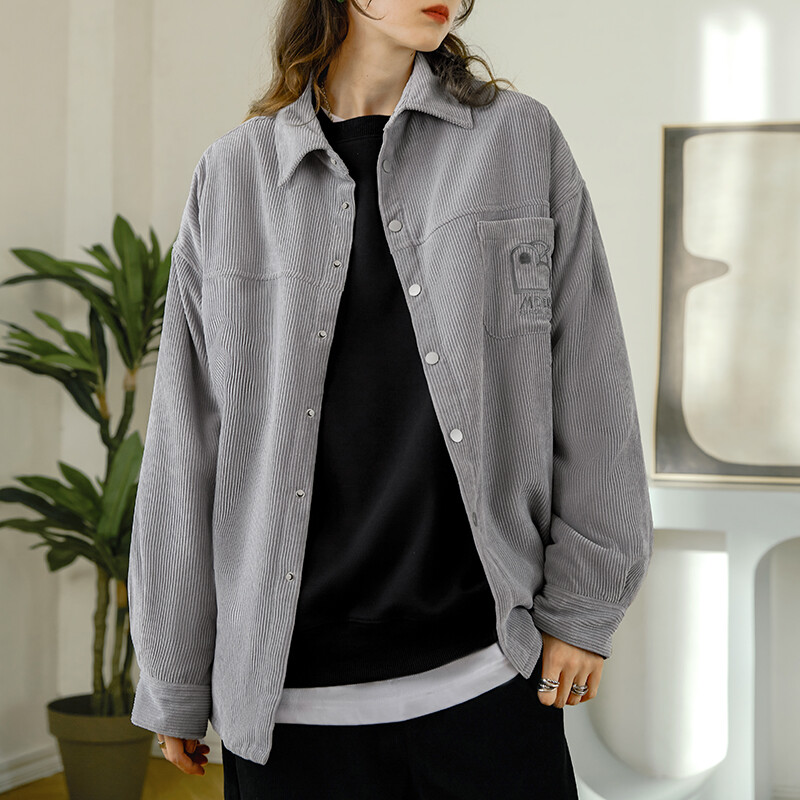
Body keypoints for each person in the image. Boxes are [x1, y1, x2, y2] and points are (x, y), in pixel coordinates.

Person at [127, 0, 654, 797]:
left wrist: (584, 604)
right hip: (291, 713)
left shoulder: (518, 140)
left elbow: (589, 377)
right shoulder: (233, 177)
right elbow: (185, 441)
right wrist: (174, 671)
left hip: (486, 684)